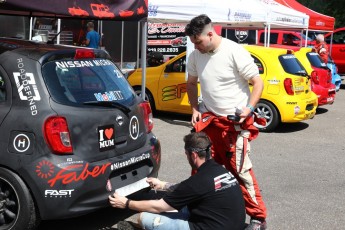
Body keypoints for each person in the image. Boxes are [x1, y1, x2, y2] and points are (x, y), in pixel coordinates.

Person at [185, 14, 267, 230]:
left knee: (240, 172)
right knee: (202, 169)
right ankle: (200, 208)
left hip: (233, 126)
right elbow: (191, 84)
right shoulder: (195, 55)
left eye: (199, 41)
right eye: (193, 43)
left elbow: (257, 83)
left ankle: (258, 218)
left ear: (210, 34)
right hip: (209, 123)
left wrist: (249, 109)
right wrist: (195, 108)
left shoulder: (234, 51)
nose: (196, 46)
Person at [109, 132, 246, 230]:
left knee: (143, 217)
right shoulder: (218, 170)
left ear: (193, 155)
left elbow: (160, 206)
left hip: (207, 226)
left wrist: (126, 203)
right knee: (181, 205)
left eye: (186, 154)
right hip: (234, 224)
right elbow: (188, 189)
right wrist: (162, 185)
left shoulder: (199, 180)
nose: (186, 157)